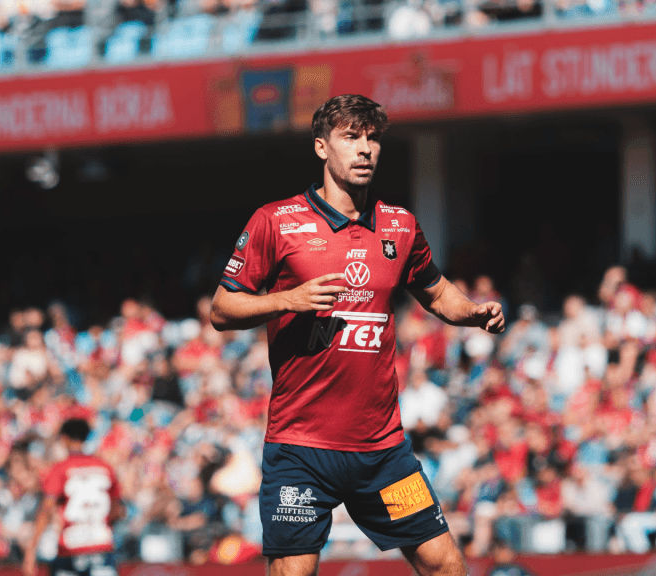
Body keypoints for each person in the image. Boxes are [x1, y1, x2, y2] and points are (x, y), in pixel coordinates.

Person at [210, 94, 504, 576]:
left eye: (372, 138)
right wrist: (288, 300)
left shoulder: (399, 225)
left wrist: (471, 312)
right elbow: (223, 308)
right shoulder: (276, 221)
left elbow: (435, 290)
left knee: (447, 566)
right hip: (302, 449)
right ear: (322, 147)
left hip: (383, 454)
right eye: (350, 137)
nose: (365, 148)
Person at [23, 418, 124, 576]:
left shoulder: (60, 469)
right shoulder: (105, 467)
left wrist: (31, 550)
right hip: (102, 545)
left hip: (71, 546)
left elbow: (46, 508)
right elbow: (117, 510)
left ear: (64, 438)